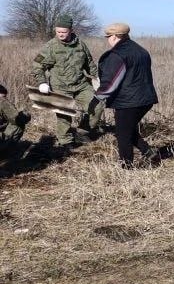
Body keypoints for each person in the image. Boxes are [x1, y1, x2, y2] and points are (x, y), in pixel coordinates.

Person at [31, 13, 104, 148]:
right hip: (60, 86)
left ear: (71, 30)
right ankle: (65, 141)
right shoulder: (50, 46)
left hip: (81, 85)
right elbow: (37, 66)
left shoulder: (81, 45)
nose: (60, 34)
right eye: (58, 31)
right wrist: (42, 82)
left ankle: (83, 132)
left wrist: (96, 78)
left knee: (98, 106)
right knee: (64, 115)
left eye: (64, 31)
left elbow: (89, 64)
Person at [94, 22, 159, 169]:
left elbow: (111, 82)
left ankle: (126, 167)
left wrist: (98, 97)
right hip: (146, 99)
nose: (107, 40)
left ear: (115, 37)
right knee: (128, 128)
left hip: (128, 101)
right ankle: (148, 152)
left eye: (108, 36)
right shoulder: (141, 50)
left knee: (123, 135)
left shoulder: (118, 55)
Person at [0, 83, 31, 149]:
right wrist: (26, 115)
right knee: (18, 125)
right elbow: (17, 119)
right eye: (4, 97)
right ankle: (6, 154)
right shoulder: (2, 102)